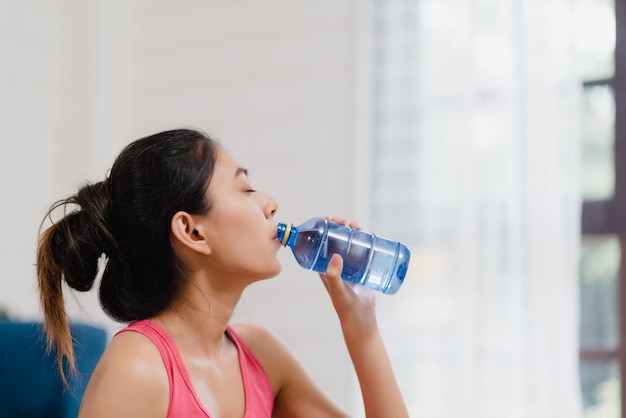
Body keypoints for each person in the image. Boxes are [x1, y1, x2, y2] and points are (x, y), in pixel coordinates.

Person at [36, 128, 409, 418]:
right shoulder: (138, 367)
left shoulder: (260, 355)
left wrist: (362, 328)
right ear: (192, 232)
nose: (270, 204)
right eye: (246, 189)